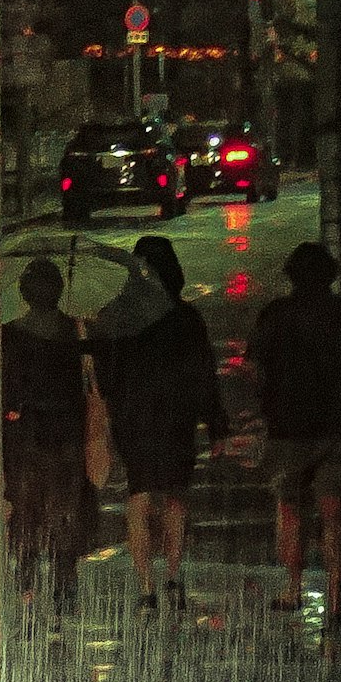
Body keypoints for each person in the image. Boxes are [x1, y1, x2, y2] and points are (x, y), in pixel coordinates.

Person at [89, 235, 220, 621]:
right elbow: (203, 372)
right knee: (175, 495)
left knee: (140, 493)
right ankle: (174, 578)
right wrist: (215, 421)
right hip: (176, 415)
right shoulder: (184, 315)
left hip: (135, 417)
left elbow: (106, 376)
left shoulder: (117, 316)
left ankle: (145, 588)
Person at [250, 242, 341, 631]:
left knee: (291, 511)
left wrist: (267, 403)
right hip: (338, 429)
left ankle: (293, 587)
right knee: (335, 517)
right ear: (332, 276)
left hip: (287, 430)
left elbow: (256, 367)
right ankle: (334, 598)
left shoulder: (275, 316)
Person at [0, 257, 93, 626]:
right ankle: (65, 586)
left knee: (26, 505)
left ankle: (25, 580)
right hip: (67, 431)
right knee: (65, 507)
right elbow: (86, 381)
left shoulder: (11, 333)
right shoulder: (74, 330)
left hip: (27, 432)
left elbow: (5, 386)